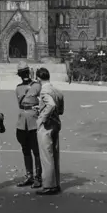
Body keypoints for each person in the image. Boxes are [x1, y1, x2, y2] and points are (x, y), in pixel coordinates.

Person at [35, 67, 64, 196]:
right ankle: (56, 183)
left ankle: (49, 185)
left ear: (38, 79)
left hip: (46, 126)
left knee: (46, 156)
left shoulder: (44, 90)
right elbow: (60, 108)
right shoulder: (56, 90)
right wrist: (42, 108)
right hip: (56, 123)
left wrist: (43, 117)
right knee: (54, 155)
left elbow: (51, 104)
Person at [15, 62, 42, 188]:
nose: (24, 75)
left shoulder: (37, 86)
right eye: (23, 73)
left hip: (33, 122)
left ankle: (38, 177)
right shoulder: (19, 87)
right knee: (26, 150)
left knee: (36, 151)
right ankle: (30, 176)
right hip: (22, 123)